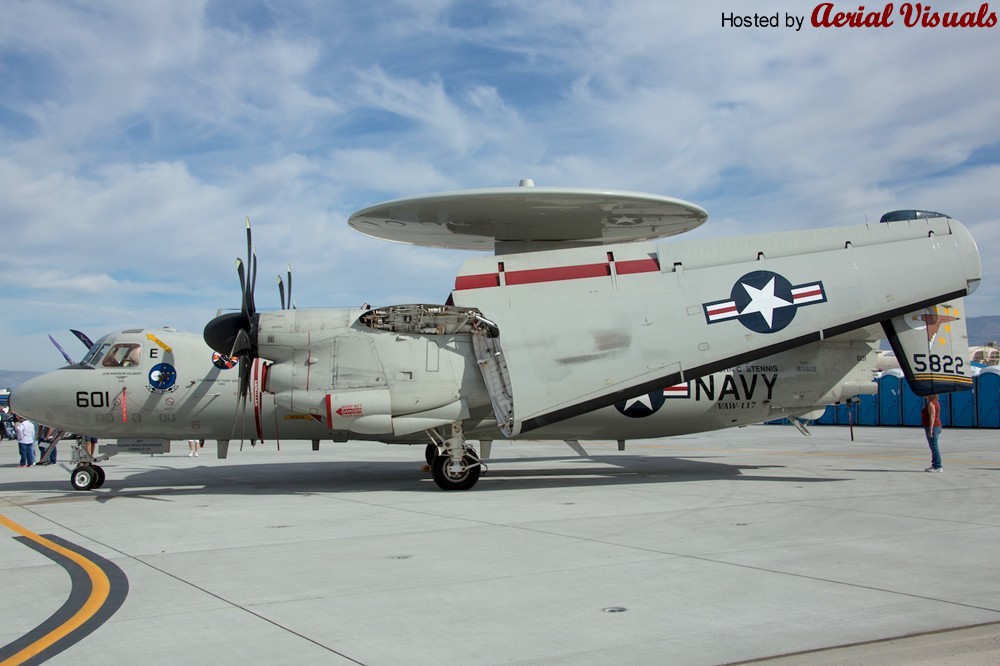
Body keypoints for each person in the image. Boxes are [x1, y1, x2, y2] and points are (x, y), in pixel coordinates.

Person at [921, 394, 943, 472]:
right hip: (936, 426)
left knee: (934, 447)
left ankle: (938, 466)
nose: (925, 395)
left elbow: (932, 416)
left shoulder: (931, 403)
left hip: (933, 427)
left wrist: (930, 429)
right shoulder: (935, 402)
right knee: (933, 446)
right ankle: (935, 464)